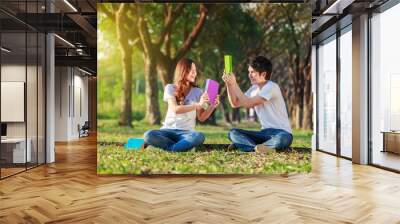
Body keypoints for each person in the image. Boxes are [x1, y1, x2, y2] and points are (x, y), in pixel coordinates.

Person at [144, 58, 219, 152]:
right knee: (148, 135)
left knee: (199, 136)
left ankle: (169, 148)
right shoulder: (170, 88)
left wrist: (212, 106)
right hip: (167, 131)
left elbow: (201, 117)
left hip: (186, 133)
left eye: (195, 71)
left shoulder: (198, 92)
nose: (194, 74)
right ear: (183, 71)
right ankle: (181, 147)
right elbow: (176, 109)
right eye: (191, 71)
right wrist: (198, 105)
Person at [222, 56, 292, 153]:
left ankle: (245, 145)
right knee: (233, 133)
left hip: (281, 133)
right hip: (263, 134)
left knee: (282, 139)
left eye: (252, 72)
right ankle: (260, 148)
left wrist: (234, 83)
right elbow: (235, 103)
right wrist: (229, 84)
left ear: (263, 74)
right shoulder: (253, 89)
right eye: (249, 72)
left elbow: (247, 103)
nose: (249, 75)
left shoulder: (272, 87)